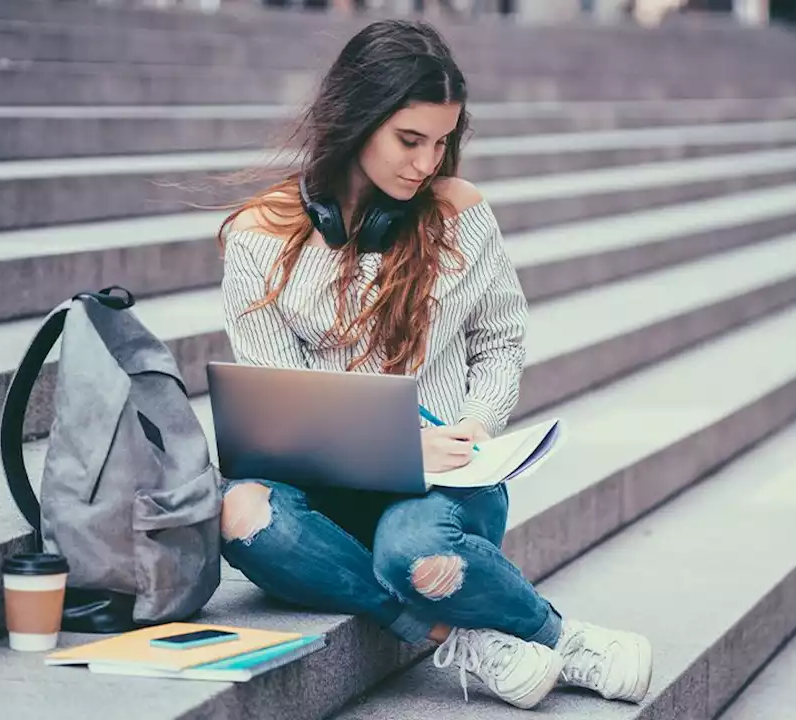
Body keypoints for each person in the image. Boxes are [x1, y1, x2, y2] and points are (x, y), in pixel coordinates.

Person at [214, 18, 653, 712]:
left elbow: (502, 341)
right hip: (325, 487)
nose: (426, 164)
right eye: (408, 140)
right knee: (242, 512)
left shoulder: (459, 213)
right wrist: (390, 447)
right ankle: (460, 636)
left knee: (411, 553)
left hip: (449, 478)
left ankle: (559, 639)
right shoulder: (258, 238)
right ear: (356, 120)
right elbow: (284, 414)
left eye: (442, 142)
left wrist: (477, 425)